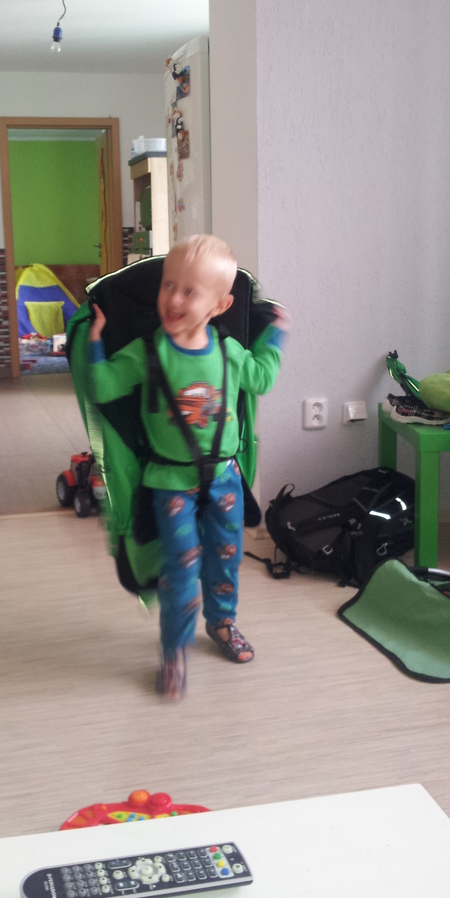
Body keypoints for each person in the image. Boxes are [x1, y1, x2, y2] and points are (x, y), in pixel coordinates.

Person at [88, 235, 288, 700]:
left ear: (220, 305)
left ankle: (222, 622)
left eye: (189, 291)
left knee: (225, 558)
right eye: (168, 286)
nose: (173, 299)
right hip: (169, 483)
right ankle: (174, 649)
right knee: (180, 568)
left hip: (225, 480)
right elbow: (102, 386)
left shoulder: (229, 353)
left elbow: (262, 377)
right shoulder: (147, 352)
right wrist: (95, 340)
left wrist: (275, 335)